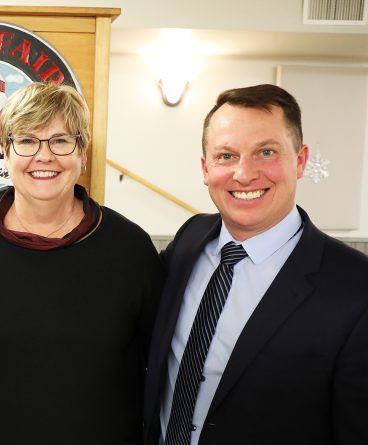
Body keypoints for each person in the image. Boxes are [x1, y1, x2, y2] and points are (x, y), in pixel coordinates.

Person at [0, 82, 163, 444]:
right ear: (5, 153)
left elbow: (159, 363)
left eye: (60, 140)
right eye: (26, 140)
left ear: (83, 153)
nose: (44, 156)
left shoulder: (130, 248)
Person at [143, 84, 368, 445]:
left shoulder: (356, 287)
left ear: (300, 160)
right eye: (226, 156)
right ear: (205, 168)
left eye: (265, 152)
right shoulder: (189, 240)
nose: (244, 174)